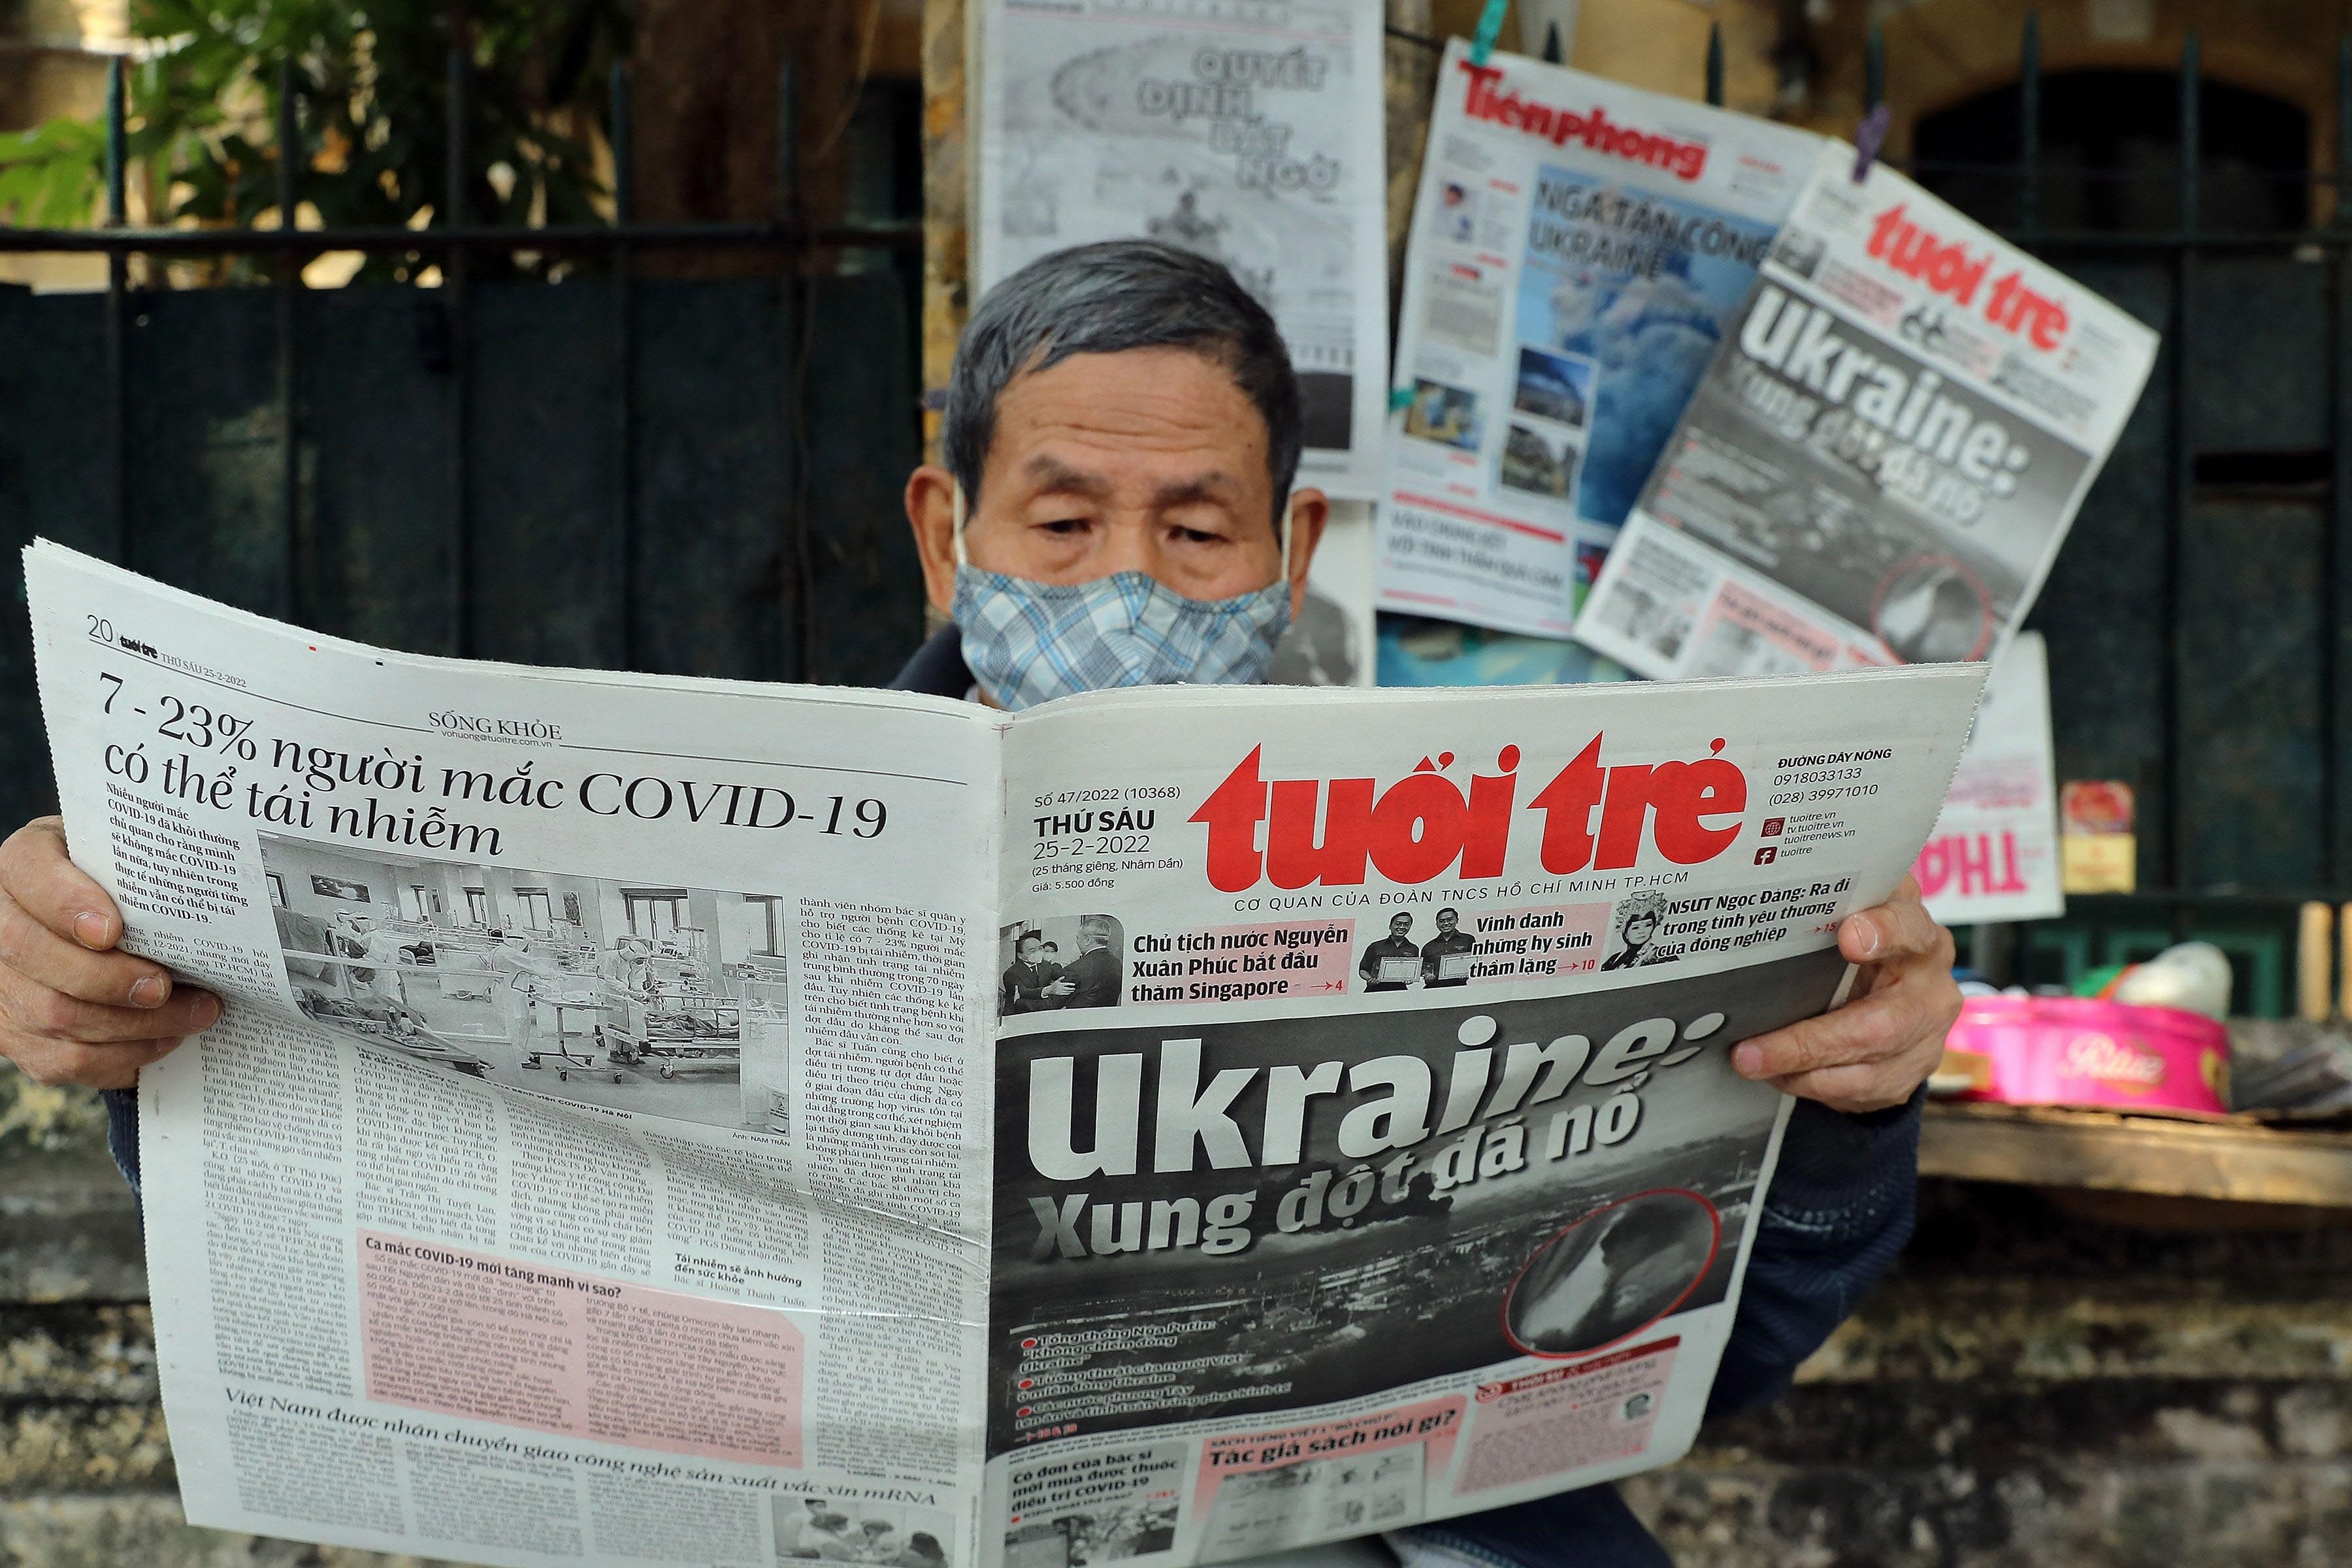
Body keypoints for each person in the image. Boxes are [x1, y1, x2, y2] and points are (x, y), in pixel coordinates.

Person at [0, 238, 1962, 1568]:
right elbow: (381, 1145)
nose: (1125, 576)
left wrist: (1860, 1098)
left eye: (1194, 529)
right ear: (949, 530)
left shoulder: (1508, 841)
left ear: (1287, 550)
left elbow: (1722, 1327)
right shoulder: (747, 847)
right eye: (1061, 518)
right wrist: (125, 986)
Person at [1058, 915, 1122, 1009]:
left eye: (1077, 938)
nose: (1076, 942)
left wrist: (1046, 991)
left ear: (1088, 940)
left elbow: (1052, 1004)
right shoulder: (1118, 964)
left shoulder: (1074, 969)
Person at [1001, 930, 1071, 1014]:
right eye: (1033, 950)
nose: (1038, 953)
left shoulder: (1046, 965)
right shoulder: (1011, 973)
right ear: (1020, 955)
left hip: (1040, 1012)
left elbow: (1062, 976)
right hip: (1019, 1013)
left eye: (1040, 948)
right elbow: (1023, 992)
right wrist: (1048, 990)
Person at [1358, 911, 1420, 992]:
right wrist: (1370, 979)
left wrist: (1410, 979)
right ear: (1390, 926)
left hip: (1400, 990)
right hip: (1375, 989)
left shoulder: (1413, 949)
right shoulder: (1376, 946)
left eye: (1406, 925)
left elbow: (1412, 972)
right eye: (1398, 924)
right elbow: (1363, 970)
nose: (1402, 927)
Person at [1419, 906, 1476, 988]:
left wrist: (1468, 972)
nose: (1446, 923)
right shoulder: (1428, 946)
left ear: (1457, 920)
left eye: (1450, 920)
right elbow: (1423, 968)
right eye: (1441, 921)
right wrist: (1427, 974)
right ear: (1437, 924)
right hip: (1433, 989)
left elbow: (1475, 962)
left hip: (1459, 987)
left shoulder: (1468, 940)